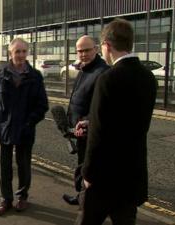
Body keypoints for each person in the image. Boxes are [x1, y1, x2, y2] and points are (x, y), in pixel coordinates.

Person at [76, 18, 157, 225]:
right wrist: (91, 122)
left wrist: (88, 173)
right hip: (131, 175)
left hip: (104, 177)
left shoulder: (108, 78)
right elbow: (127, 122)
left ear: (107, 46)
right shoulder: (148, 78)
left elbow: (99, 134)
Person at [0, 37, 49, 216]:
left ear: (27, 52)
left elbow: (42, 105)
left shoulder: (35, 76)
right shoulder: (1, 75)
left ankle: (22, 197)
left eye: (23, 51)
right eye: (17, 52)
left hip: (25, 129)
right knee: (4, 166)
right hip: (4, 128)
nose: (21, 55)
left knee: (24, 165)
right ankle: (5, 199)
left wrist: (30, 122)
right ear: (10, 53)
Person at [62, 35, 109, 205]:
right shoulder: (84, 69)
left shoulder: (102, 72)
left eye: (87, 50)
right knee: (82, 164)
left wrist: (86, 121)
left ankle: (89, 202)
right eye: (80, 51)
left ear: (96, 49)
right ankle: (82, 197)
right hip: (79, 129)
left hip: (90, 129)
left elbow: (102, 106)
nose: (83, 54)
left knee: (88, 167)